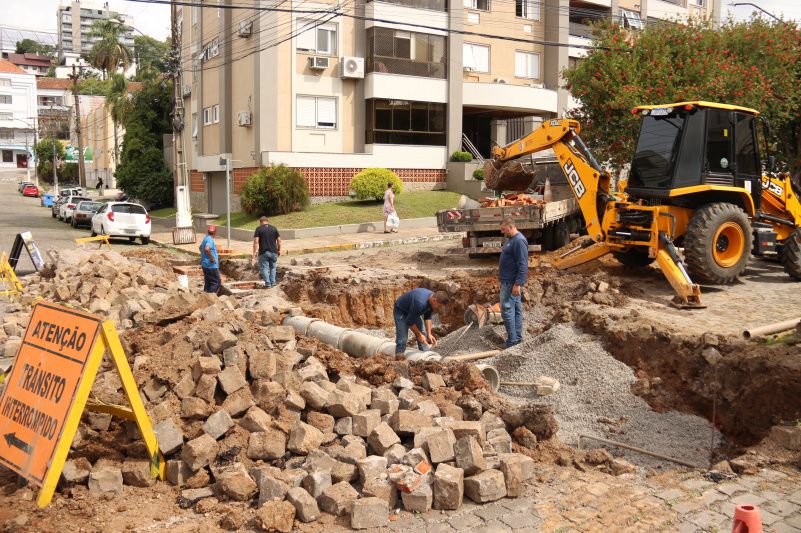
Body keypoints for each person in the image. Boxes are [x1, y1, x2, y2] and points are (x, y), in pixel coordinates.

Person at [498, 216, 528, 347]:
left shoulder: (519, 241)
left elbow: (523, 264)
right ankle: (517, 338)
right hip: (509, 282)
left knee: (507, 310)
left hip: (511, 283)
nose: (502, 232)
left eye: (504, 229)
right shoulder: (511, 240)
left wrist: (518, 284)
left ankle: (512, 341)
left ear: (511, 227)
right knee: (515, 310)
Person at [393, 288, 450, 356]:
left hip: (413, 311)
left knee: (423, 332)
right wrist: (419, 335)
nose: (439, 308)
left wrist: (429, 334)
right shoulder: (420, 303)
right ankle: (399, 355)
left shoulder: (432, 299)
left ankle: (424, 355)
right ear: (434, 300)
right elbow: (409, 321)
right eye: (439, 306)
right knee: (403, 337)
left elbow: (428, 316)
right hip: (401, 311)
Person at [252, 216, 282, 288]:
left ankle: (268, 284)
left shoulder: (258, 229)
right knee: (273, 267)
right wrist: (279, 250)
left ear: (260, 222)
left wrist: (255, 252)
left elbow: (256, 241)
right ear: (267, 221)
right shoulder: (274, 228)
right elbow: (279, 241)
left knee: (264, 268)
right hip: (274, 252)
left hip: (263, 252)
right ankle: (273, 282)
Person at [200, 225, 221, 293]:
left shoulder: (205, 238)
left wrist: (204, 256)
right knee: (216, 282)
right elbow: (207, 249)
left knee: (208, 282)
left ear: (208, 232)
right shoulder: (210, 240)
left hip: (205, 264)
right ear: (214, 233)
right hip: (211, 265)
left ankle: (206, 296)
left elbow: (200, 248)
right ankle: (212, 298)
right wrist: (212, 258)